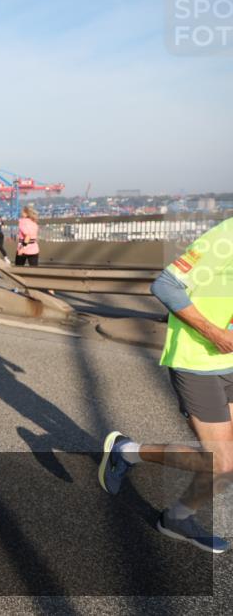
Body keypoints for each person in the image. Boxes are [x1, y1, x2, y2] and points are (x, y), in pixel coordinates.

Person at [99, 218, 232, 553]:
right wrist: (215, 333)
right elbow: (166, 285)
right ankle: (132, 460)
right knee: (223, 462)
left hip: (229, 363)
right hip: (197, 360)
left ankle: (171, 508)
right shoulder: (226, 238)